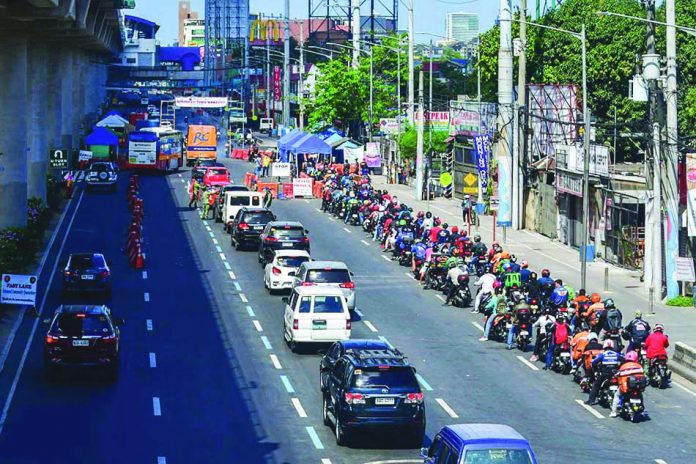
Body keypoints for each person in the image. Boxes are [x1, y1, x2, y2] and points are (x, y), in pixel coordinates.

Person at [611, 350, 646, 418]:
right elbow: (643, 374)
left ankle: (613, 412)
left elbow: (618, 374)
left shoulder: (623, 366)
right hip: (638, 387)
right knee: (640, 395)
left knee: (617, 395)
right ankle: (642, 410)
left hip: (626, 387)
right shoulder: (639, 366)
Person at [586, 340, 622, 406]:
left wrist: (596, 371)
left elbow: (594, 363)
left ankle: (591, 400)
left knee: (596, 385)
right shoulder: (617, 354)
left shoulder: (602, 355)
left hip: (605, 374)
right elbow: (623, 361)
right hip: (615, 374)